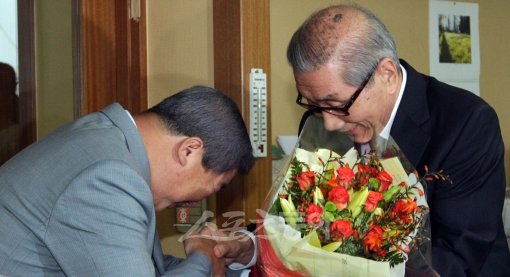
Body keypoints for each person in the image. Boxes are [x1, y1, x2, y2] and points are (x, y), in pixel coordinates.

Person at [287, 4, 510, 277]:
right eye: (313, 104)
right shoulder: (320, 123)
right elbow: (299, 217)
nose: (329, 122)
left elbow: (457, 254)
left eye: (337, 104)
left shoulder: (465, 123)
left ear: (387, 75)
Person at [0, 85, 257, 276]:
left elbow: (146, 267)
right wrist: (202, 255)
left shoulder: (108, 143)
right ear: (189, 151)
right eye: (217, 185)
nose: (196, 202)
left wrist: (222, 257)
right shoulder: (107, 176)